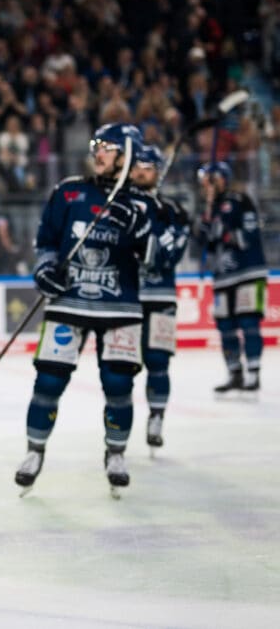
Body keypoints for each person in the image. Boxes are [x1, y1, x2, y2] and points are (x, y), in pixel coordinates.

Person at [14, 123, 152, 497]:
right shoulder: (68, 192)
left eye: (107, 147)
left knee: (119, 386)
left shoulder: (143, 203)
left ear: (126, 156)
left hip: (120, 307)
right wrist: (44, 271)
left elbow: (158, 262)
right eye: (96, 145)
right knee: (48, 382)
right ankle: (34, 452)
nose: (98, 153)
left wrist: (141, 230)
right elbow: (45, 243)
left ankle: (116, 454)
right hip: (69, 303)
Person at [126, 144, 189, 450]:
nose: (140, 172)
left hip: (161, 296)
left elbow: (170, 256)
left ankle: (156, 418)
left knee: (158, 361)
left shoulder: (173, 211)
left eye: (147, 167)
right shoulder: (120, 203)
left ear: (157, 172)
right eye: (136, 166)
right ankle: (117, 426)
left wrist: (155, 227)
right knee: (121, 364)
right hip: (125, 298)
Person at [195, 160, 268, 393]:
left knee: (249, 324)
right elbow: (200, 243)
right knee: (225, 326)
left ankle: (253, 373)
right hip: (222, 276)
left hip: (247, 271)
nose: (205, 186)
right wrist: (205, 226)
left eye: (209, 180)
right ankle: (234, 372)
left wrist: (226, 233)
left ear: (221, 179)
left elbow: (251, 234)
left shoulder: (240, 201)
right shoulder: (207, 209)